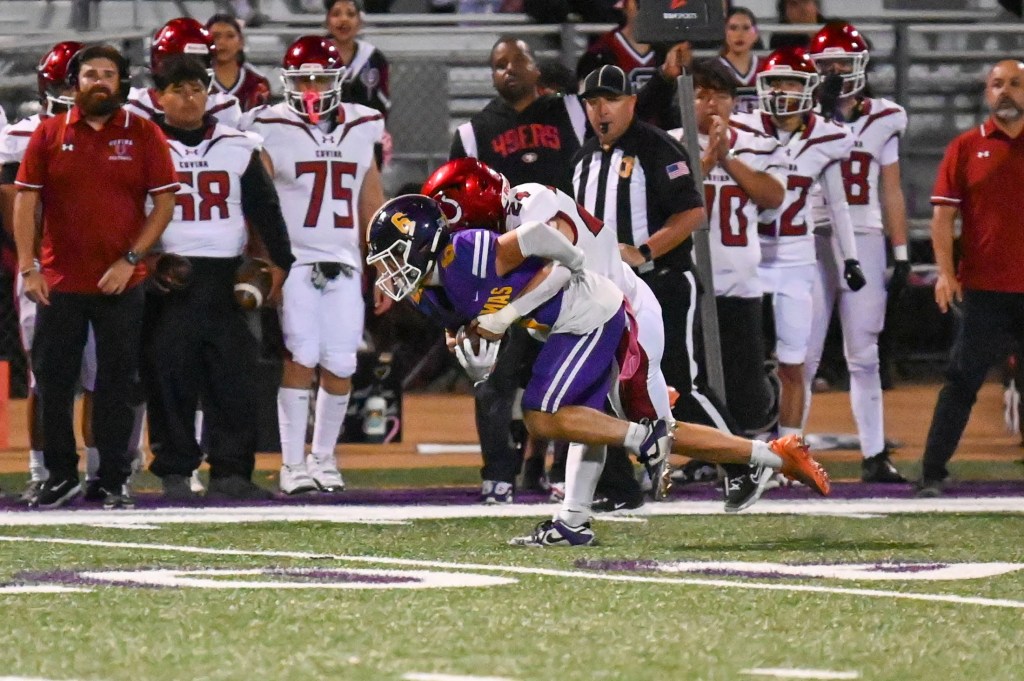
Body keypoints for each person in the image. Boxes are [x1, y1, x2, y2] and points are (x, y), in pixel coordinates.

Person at [366, 194, 831, 546]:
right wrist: (470, 349)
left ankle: (643, 442)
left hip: (593, 311)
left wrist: (535, 291)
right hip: (566, 323)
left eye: (393, 257)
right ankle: (772, 456)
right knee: (589, 423)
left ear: (424, 243)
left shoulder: (470, 252)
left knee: (545, 415)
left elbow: (542, 242)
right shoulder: (427, 290)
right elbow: (467, 323)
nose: (388, 272)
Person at [423, 158, 676, 508]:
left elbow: (563, 265)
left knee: (649, 421)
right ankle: (580, 513)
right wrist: (462, 334)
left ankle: (744, 460)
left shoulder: (533, 202)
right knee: (582, 418)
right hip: (583, 321)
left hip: (624, 311)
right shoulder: (492, 240)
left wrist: (503, 317)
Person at [13, 44, 178, 509]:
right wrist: (29, 267)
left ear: (121, 82)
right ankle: (60, 475)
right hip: (59, 280)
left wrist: (131, 258)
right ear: (74, 83)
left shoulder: (143, 132)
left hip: (121, 281)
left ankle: (112, 477)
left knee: (115, 384)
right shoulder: (49, 132)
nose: (99, 82)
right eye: (90, 74)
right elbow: (26, 200)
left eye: (108, 74)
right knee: (53, 384)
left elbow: (164, 203)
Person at [143, 54, 294, 501]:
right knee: (170, 378)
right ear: (159, 97)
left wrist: (279, 263)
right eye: (178, 90)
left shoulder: (238, 144)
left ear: (208, 95)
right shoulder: (146, 143)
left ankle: (232, 471)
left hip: (228, 275)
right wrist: (142, 261)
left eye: (197, 89)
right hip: (168, 275)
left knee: (234, 378)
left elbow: (265, 209)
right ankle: (175, 470)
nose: (189, 98)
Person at [243, 35, 385, 496]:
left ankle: (323, 458)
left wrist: (382, 266)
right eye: (302, 80)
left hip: (345, 259)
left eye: (320, 79)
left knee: (341, 361)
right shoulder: (268, 125)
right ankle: (292, 464)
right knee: (300, 356)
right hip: (296, 260)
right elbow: (258, 202)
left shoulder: (363, 125)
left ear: (337, 80)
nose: (310, 89)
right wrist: (268, 261)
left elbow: (371, 201)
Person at [731, 47, 864, 455]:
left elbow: (837, 204)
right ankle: (741, 449)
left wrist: (851, 257)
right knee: (744, 362)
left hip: (795, 257)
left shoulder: (828, 137)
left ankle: (788, 450)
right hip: (748, 256)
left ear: (808, 88)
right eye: (775, 83)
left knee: (794, 363)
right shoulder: (741, 129)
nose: (782, 91)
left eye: (791, 83)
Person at [802, 22, 911, 484]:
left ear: (860, 66)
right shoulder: (800, 114)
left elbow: (891, 189)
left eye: (841, 63)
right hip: (810, 234)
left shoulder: (885, 116)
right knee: (801, 353)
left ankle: (874, 452)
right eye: (826, 65)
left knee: (864, 352)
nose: (834, 72)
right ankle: (786, 451)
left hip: (864, 235)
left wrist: (901, 252)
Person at [0, 40, 104, 506]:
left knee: (101, 374)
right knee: (45, 376)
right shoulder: (22, 135)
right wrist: (34, 261)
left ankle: (102, 472)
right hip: (44, 267)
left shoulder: (120, 132)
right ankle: (42, 470)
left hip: (99, 266)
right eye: (67, 82)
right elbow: (12, 208)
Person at [916, 60, 1024, 498]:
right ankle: (931, 472)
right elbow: (942, 218)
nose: (1006, 92)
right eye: (997, 84)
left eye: (1015, 84)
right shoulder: (965, 147)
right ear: (986, 93)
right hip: (983, 290)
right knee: (961, 382)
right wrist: (945, 273)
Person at [679, 61, 785, 446]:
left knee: (747, 394)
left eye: (721, 95)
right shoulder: (670, 144)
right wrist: (708, 159)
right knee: (693, 383)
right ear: (685, 100)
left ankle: (743, 453)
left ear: (735, 102)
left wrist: (727, 158)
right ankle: (707, 456)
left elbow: (773, 196)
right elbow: (670, 198)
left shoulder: (759, 144)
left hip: (740, 282)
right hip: (690, 283)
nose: (711, 103)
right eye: (702, 95)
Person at [125, 17, 243, 128]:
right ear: (161, 64)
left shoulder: (224, 107)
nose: (190, 69)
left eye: (199, 61)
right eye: (181, 62)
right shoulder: (133, 106)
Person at [324, 0, 390, 117]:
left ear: (359, 22)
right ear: (327, 21)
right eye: (336, 14)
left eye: (350, 14)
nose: (344, 19)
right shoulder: (312, 55)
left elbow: (382, 104)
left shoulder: (374, 58)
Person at [575, 0, 658, 92]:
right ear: (625, 5)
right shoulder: (602, 51)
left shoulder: (666, 50)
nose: (646, 8)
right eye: (639, 2)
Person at [206, 13, 271, 112]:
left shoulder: (258, 82)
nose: (222, 42)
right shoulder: (196, 79)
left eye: (230, 36)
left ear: (241, 42)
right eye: (215, 36)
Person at [717, 7, 765, 114]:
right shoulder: (712, 70)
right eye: (733, 28)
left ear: (756, 34)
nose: (740, 34)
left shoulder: (766, 68)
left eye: (746, 28)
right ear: (724, 33)